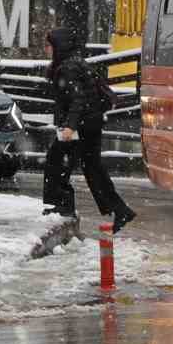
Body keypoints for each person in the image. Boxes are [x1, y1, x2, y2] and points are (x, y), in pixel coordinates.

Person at [42, 26, 136, 232]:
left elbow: (78, 99)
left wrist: (69, 126)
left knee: (57, 161)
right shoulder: (75, 63)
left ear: (59, 46)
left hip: (80, 127)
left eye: (49, 45)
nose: (46, 49)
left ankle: (63, 205)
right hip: (91, 124)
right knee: (92, 168)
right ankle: (120, 209)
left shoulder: (67, 67)